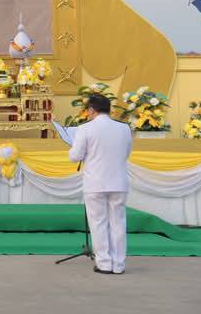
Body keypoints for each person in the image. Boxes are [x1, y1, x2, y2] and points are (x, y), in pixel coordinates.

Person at [68, 93, 133, 274]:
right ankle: (119, 264)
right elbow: (127, 153)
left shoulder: (85, 129)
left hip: (95, 182)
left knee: (98, 223)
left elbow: (75, 157)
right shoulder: (124, 128)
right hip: (119, 181)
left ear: (91, 110)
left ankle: (104, 263)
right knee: (118, 223)